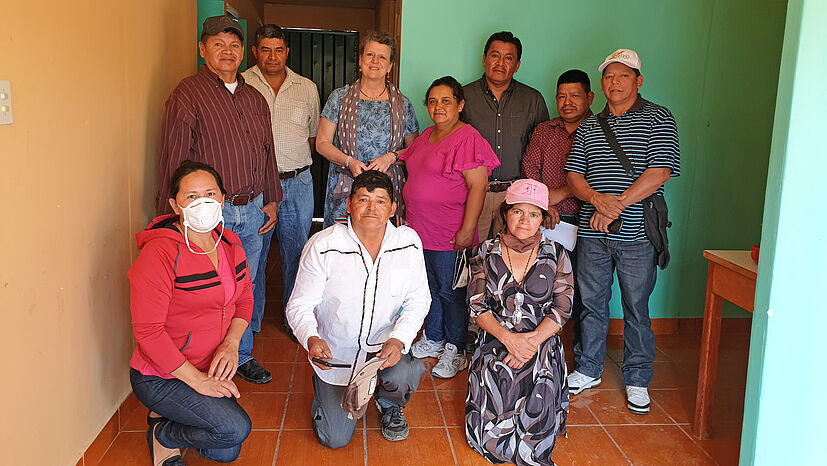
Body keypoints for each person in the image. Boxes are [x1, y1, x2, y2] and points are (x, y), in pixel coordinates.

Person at [156, 15, 283, 384]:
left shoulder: (255, 97)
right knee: (212, 288)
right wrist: (177, 212)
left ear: (244, 52)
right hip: (210, 212)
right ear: (202, 49)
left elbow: (267, 151)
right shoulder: (188, 93)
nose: (227, 52)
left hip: (254, 206)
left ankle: (240, 355)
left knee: (247, 285)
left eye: (234, 45)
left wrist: (272, 199)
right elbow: (174, 157)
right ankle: (203, 361)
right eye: (218, 44)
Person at [564, 49, 680, 415]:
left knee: (636, 307)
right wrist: (599, 200)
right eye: (609, 76)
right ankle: (588, 368)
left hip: (637, 235)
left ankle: (637, 376)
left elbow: (661, 171)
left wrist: (618, 204)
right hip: (593, 232)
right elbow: (574, 176)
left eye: (623, 76)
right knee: (592, 304)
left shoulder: (659, 117)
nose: (615, 82)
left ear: (638, 81)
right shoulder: (590, 125)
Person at [286, 171, 431, 447]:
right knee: (335, 439)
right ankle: (324, 388)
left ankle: (389, 404)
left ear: (392, 208)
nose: (371, 208)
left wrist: (399, 339)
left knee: (405, 372)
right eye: (363, 199)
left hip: (384, 350)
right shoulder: (324, 245)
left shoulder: (408, 242)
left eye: (380, 201)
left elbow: (419, 299)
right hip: (338, 354)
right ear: (349, 205)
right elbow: (300, 304)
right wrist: (311, 338)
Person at [129, 161, 253, 465]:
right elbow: (148, 333)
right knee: (234, 430)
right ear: (175, 205)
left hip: (210, 364)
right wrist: (198, 381)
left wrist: (231, 343)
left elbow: (245, 298)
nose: (203, 204)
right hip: (162, 375)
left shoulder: (230, 244)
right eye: (191, 197)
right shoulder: (159, 253)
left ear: (223, 198)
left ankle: (167, 420)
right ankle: (164, 435)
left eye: (210, 194)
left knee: (224, 451)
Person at [465, 179, 573, 466]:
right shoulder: (484, 252)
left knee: (538, 375)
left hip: (540, 338)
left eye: (534, 214)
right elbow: (476, 305)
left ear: (543, 218)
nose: (525, 220)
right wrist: (510, 339)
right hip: (496, 336)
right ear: (505, 213)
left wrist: (531, 342)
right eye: (517, 212)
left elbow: (563, 307)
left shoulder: (557, 253)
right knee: (496, 374)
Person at [402, 76, 500, 378]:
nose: (438, 106)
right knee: (428, 288)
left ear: (460, 104)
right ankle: (433, 337)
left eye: (446, 101)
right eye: (432, 101)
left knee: (451, 292)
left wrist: (467, 229)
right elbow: (407, 157)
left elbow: (478, 187)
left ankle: (455, 349)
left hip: (450, 232)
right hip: (420, 230)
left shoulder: (468, 138)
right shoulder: (428, 134)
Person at [243, 24, 320, 339]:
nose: (272, 57)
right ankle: (251, 324)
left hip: (298, 183)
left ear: (287, 51)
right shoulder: (240, 83)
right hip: (255, 187)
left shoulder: (307, 88)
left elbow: (313, 137)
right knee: (255, 257)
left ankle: (294, 321)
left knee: (297, 254)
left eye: (278, 49)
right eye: (265, 49)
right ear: (255, 51)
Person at [316, 31, 419, 227]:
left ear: (390, 66)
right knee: (342, 248)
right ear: (361, 60)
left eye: (382, 57)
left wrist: (392, 157)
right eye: (370, 55)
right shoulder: (339, 98)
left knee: (383, 249)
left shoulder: (403, 104)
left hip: (386, 192)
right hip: (346, 187)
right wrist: (349, 162)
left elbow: (415, 150)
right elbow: (322, 143)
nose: (375, 61)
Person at [522, 69, 594, 343]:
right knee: (540, 285)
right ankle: (539, 343)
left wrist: (559, 196)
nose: (567, 102)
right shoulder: (544, 131)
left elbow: (598, 178)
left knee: (583, 291)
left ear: (589, 97)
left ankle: (578, 351)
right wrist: (542, 205)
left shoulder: (598, 130)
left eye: (575, 95)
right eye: (562, 96)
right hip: (546, 223)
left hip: (585, 223)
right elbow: (530, 169)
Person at [461, 31, 549, 241]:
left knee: (512, 258)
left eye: (508, 58)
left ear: (517, 65)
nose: (500, 63)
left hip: (517, 196)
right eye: (495, 55)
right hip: (474, 193)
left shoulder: (532, 99)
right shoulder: (464, 96)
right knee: (472, 255)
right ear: (484, 59)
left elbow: (544, 149)